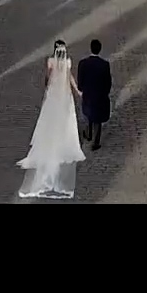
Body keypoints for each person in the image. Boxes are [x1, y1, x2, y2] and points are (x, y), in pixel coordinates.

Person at [16, 40, 86, 199]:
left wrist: (47, 87)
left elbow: (47, 78)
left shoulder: (50, 61)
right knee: (67, 118)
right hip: (65, 95)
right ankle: (66, 141)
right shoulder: (67, 62)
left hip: (53, 95)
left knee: (49, 118)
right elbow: (69, 78)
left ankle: (50, 139)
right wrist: (77, 91)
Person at [76, 39, 113, 150]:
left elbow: (80, 80)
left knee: (89, 114)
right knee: (98, 119)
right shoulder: (104, 65)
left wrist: (81, 89)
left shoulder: (83, 63)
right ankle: (95, 142)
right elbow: (108, 82)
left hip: (88, 94)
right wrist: (105, 92)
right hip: (100, 95)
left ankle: (88, 134)